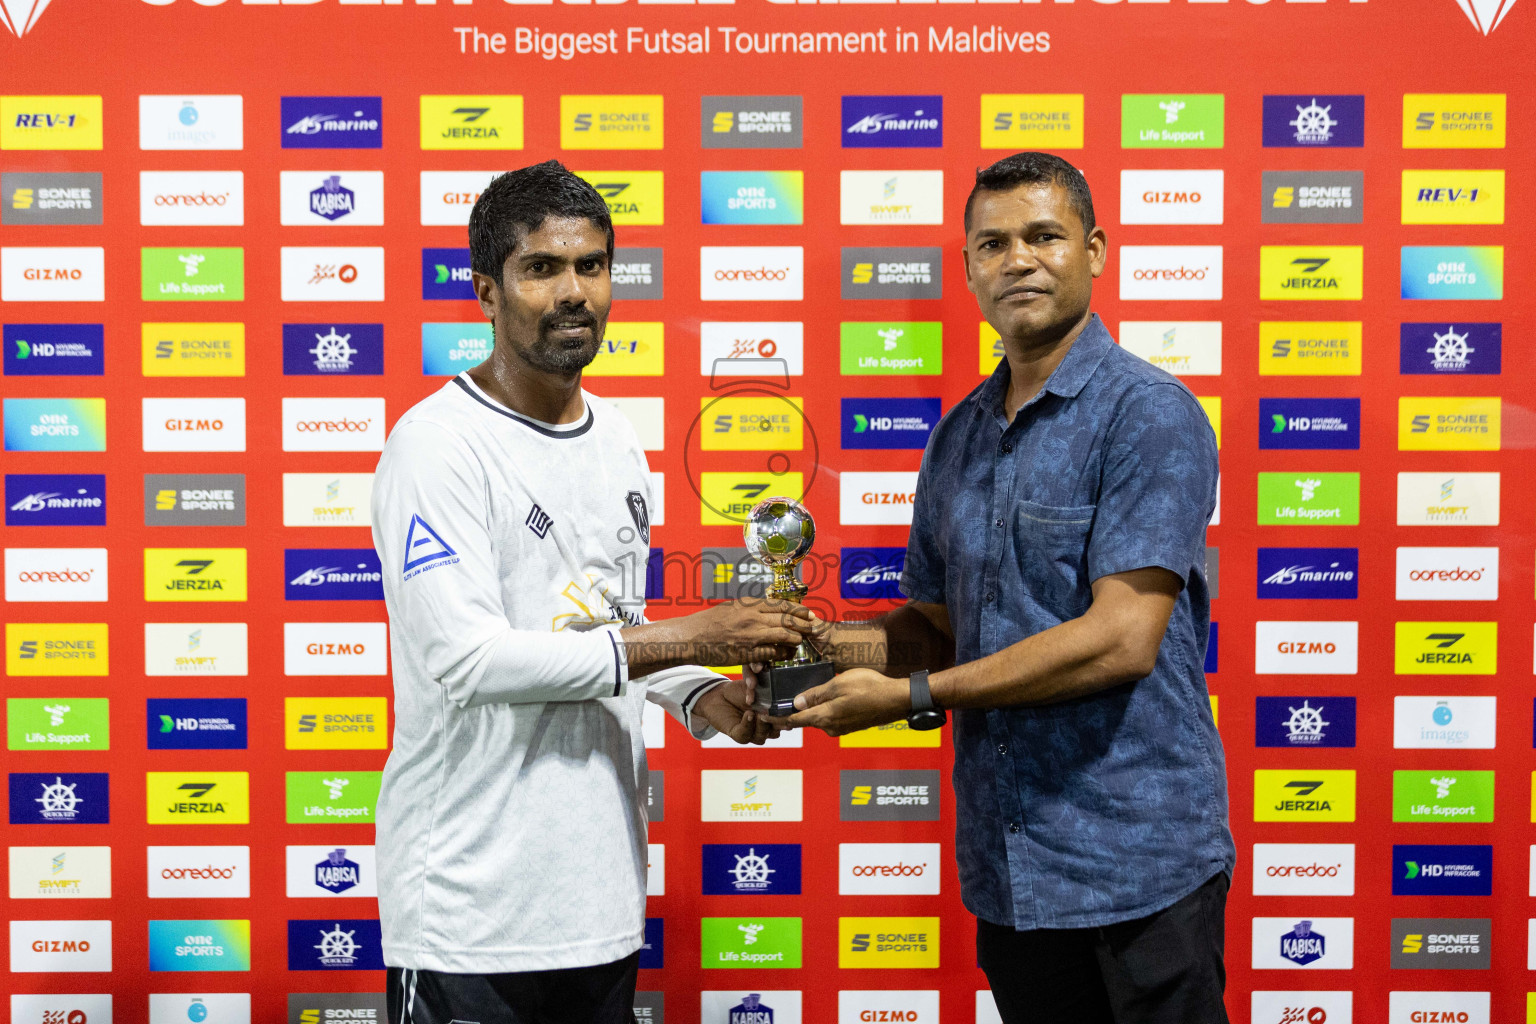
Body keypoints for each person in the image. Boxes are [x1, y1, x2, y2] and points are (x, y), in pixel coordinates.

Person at [778, 152, 1233, 1023]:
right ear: (969, 269)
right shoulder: (958, 436)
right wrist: (808, 649)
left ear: (1094, 250)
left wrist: (911, 695)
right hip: (1013, 868)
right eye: (993, 244)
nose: (1017, 259)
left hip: (1139, 862)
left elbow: (1122, 638)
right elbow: (940, 626)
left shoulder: (1149, 412)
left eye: (1043, 236)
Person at [370, 160, 812, 1024]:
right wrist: (690, 639)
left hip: (602, 905)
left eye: (593, 266)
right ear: (487, 292)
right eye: (543, 268)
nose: (575, 292)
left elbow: (609, 624)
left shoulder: (616, 439)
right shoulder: (437, 448)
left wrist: (701, 698)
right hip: (472, 913)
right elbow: (468, 661)